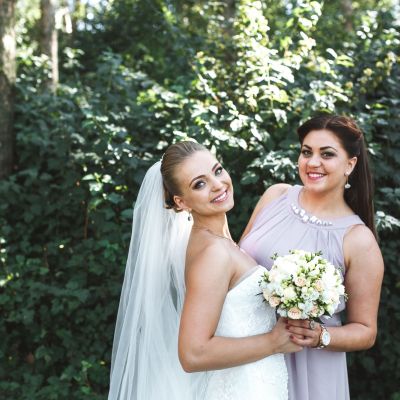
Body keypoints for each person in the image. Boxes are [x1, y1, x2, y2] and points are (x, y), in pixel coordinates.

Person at [108, 141, 301, 400]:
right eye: (199, 184)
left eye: (217, 170)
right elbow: (193, 353)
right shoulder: (214, 254)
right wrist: (273, 342)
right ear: (181, 202)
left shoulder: (216, 243)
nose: (218, 184)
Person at [240, 114, 384, 400]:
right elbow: (233, 262)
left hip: (309, 368)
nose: (312, 162)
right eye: (307, 152)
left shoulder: (358, 241)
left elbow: (365, 331)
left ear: (350, 164)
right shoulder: (275, 196)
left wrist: (320, 336)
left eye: (326, 154)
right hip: (245, 351)